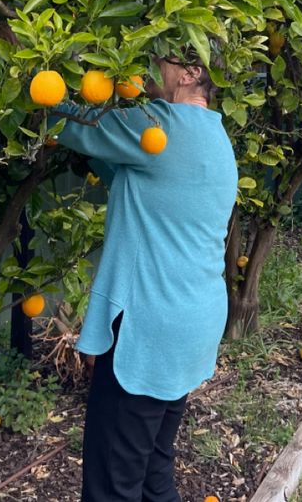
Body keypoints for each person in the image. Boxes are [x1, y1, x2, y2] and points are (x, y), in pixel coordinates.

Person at [52, 54, 238, 502]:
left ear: (191, 73)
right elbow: (129, 173)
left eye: (162, 58)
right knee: (154, 462)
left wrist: (27, 67)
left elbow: (71, 122)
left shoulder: (157, 124)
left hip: (149, 328)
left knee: (112, 483)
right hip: (194, 322)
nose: (149, 64)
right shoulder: (216, 137)